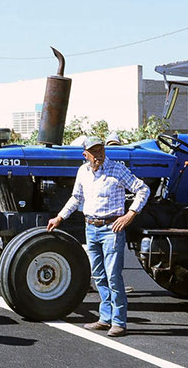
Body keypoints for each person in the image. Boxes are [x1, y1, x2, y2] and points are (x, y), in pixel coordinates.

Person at [47, 137, 151, 338]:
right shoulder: (83, 172)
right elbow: (76, 198)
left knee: (113, 276)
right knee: (99, 275)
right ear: (85, 154)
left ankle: (119, 322)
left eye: (101, 150)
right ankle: (105, 318)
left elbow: (142, 189)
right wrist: (60, 217)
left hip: (112, 228)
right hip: (91, 227)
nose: (99, 155)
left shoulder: (117, 170)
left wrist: (130, 214)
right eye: (94, 152)